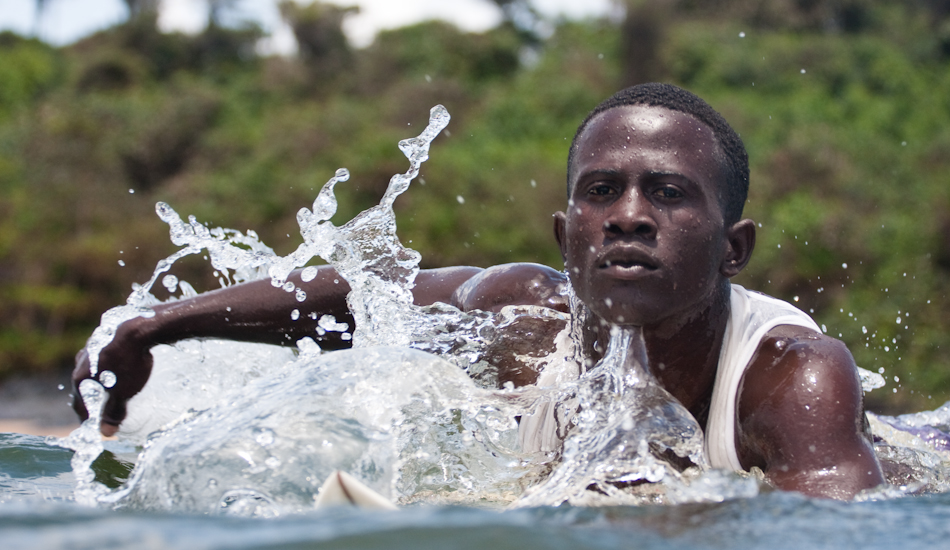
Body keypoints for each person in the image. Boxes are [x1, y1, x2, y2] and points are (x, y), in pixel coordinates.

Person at [72, 83, 884, 500]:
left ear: (734, 249)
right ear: (566, 239)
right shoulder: (526, 322)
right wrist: (152, 327)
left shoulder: (792, 380)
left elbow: (836, 529)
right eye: (601, 192)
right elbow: (366, 299)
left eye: (669, 194)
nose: (629, 217)